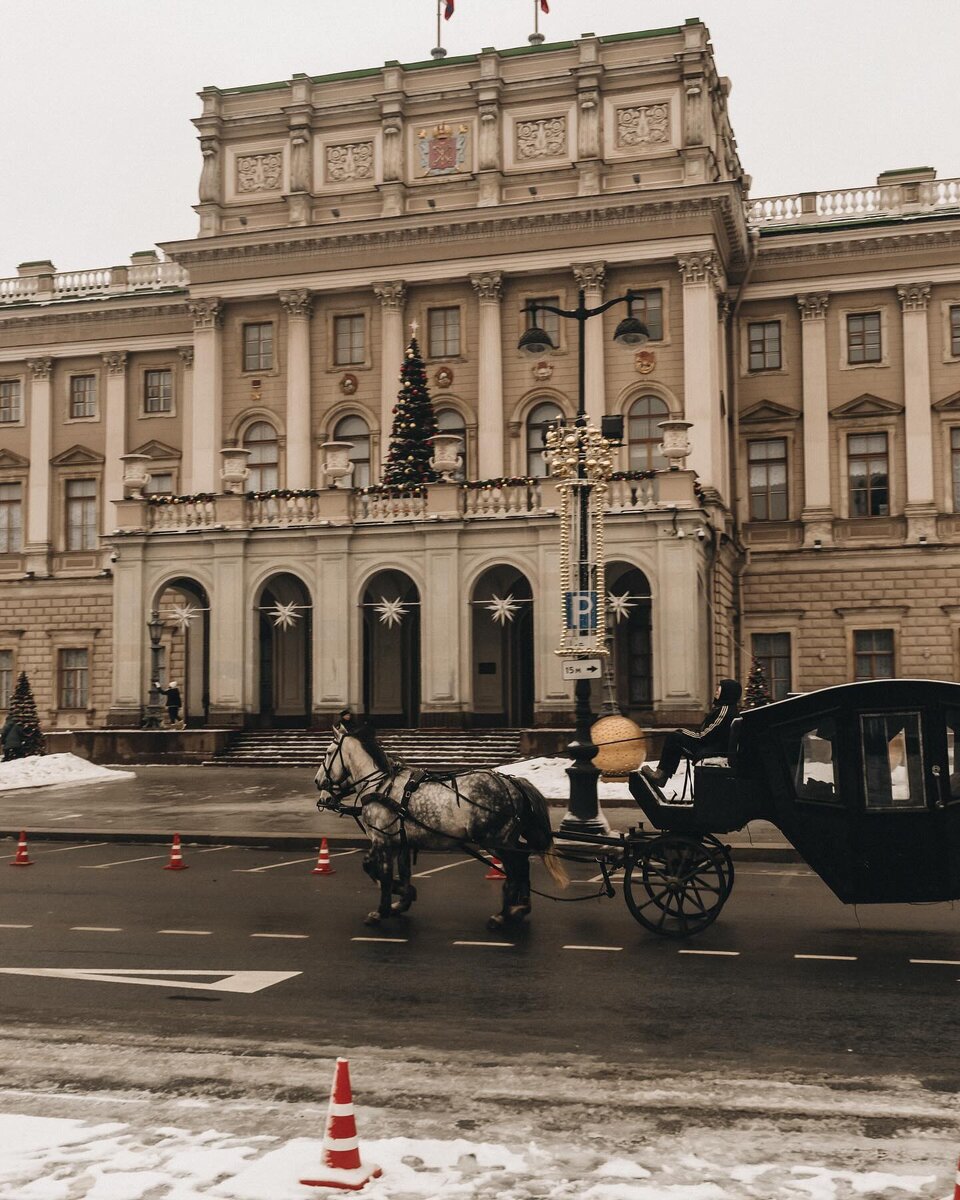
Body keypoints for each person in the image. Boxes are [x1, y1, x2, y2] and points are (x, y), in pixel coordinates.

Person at [641, 678, 742, 788]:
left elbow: (704, 736)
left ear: (727, 692)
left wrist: (681, 732)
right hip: (712, 748)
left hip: (708, 751)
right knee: (676, 737)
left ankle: (661, 775)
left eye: (720, 688)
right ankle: (662, 775)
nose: (716, 691)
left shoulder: (724, 710)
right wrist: (684, 732)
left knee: (674, 738)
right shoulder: (728, 709)